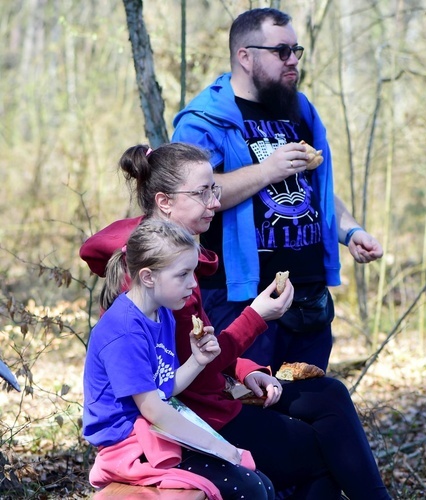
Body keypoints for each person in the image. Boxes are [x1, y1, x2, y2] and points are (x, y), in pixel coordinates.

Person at [80, 143, 391, 499]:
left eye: (214, 189)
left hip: (203, 396)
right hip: (192, 415)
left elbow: (201, 351)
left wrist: (243, 371)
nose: (215, 201)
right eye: (202, 192)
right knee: (321, 453)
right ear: (164, 202)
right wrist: (256, 317)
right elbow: (178, 383)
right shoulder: (154, 283)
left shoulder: (177, 264)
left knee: (329, 394)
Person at [171, 7, 383, 374]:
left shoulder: (299, 111)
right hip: (242, 301)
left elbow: (313, 188)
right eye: (281, 51)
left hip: (309, 298)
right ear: (245, 56)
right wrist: (265, 171)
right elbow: (188, 194)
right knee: (247, 411)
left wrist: (351, 231)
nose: (293, 61)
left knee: (309, 406)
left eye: (296, 51)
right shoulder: (204, 119)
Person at [83, 218, 274, 499]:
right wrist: (221, 447)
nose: (193, 283)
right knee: (247, 488)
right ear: (148, 277)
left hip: (155, 433)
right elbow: (154, 410)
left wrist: (197, 361)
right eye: (183, 274)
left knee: (262, 484)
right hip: (127, 447)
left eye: (193, 272)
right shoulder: (124, 331)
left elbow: (165, 389)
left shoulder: (162, 313)